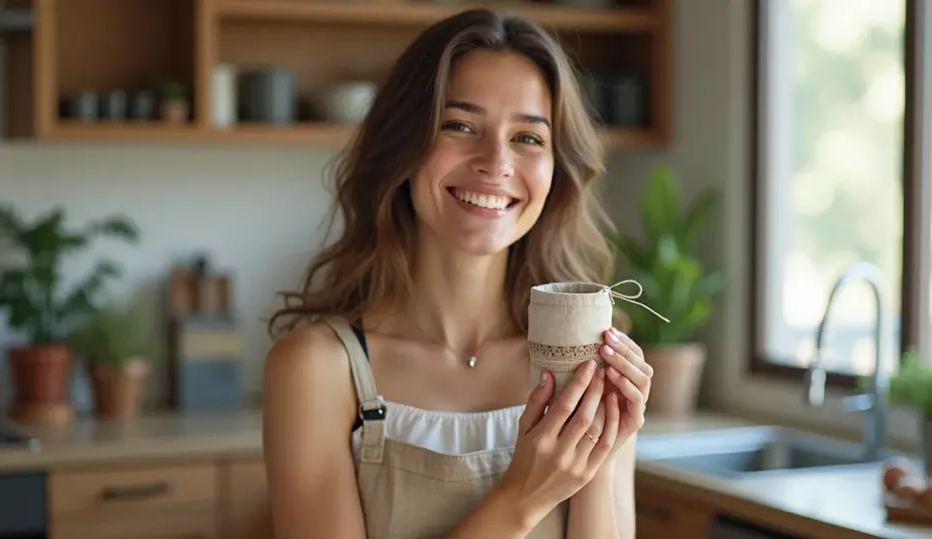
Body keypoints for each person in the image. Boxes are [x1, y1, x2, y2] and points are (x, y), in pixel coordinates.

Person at [263, 7, 655, 539]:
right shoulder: (317, 370)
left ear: (556, 170)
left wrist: (599, 455)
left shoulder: (591, 357)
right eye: (459, 126)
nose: (496, 162)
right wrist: (520, 498)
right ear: (403, 145)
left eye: (528, 138)